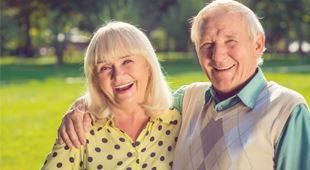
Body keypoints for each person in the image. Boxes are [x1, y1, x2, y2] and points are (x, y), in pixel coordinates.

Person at [57, 0, 310, 169]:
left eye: (230, 41)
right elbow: (135, 95)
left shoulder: (287, 109)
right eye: (206, 44)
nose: (218, 55)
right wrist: (83, 106)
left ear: (257, 45)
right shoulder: (188, 100)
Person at [40, 21, 181, 170]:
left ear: (149, 65)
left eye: (127, 61)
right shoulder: (80, 129)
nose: (118, 76)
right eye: (105, 67)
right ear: (95, 79)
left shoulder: (180, 123)